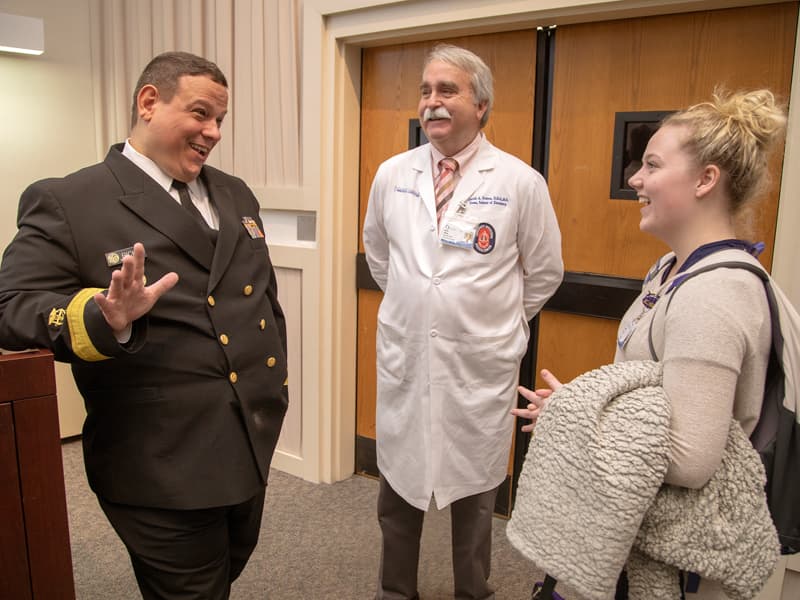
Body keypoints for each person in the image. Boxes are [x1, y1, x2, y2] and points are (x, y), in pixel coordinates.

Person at [0, 51, 288, 600]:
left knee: (224, 571)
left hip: (249, 439)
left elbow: (263, 301)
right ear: (149, 102)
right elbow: (9, 306)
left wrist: (276, 389)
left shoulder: (235, 193)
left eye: (220, 121)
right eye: (200, 113)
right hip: (159, 461)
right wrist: (101, 317)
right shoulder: (70, 200)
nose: (213, 132)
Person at [512, 88, 787, 598]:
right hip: (627, 525)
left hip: (663, 551)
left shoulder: (715, 294)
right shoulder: (670, 270)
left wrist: (576, 423)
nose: (636, 178)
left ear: (706, 180)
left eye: (652, 165)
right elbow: (657, 400)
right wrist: (580, 406)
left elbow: (689, 459)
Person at [362, 43, 564, 600]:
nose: (432, 102)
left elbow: (544, 273)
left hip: (478, 365)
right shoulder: (392, 174)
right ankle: (395, 590)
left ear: (482, 105)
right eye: (426, 91)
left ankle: (473, 591)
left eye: (446, 90)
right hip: (408, 355)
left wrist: (488, 322)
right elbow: (380, 256)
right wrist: (420, 307)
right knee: (397, 491)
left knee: (475, 495)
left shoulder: (520, 182)